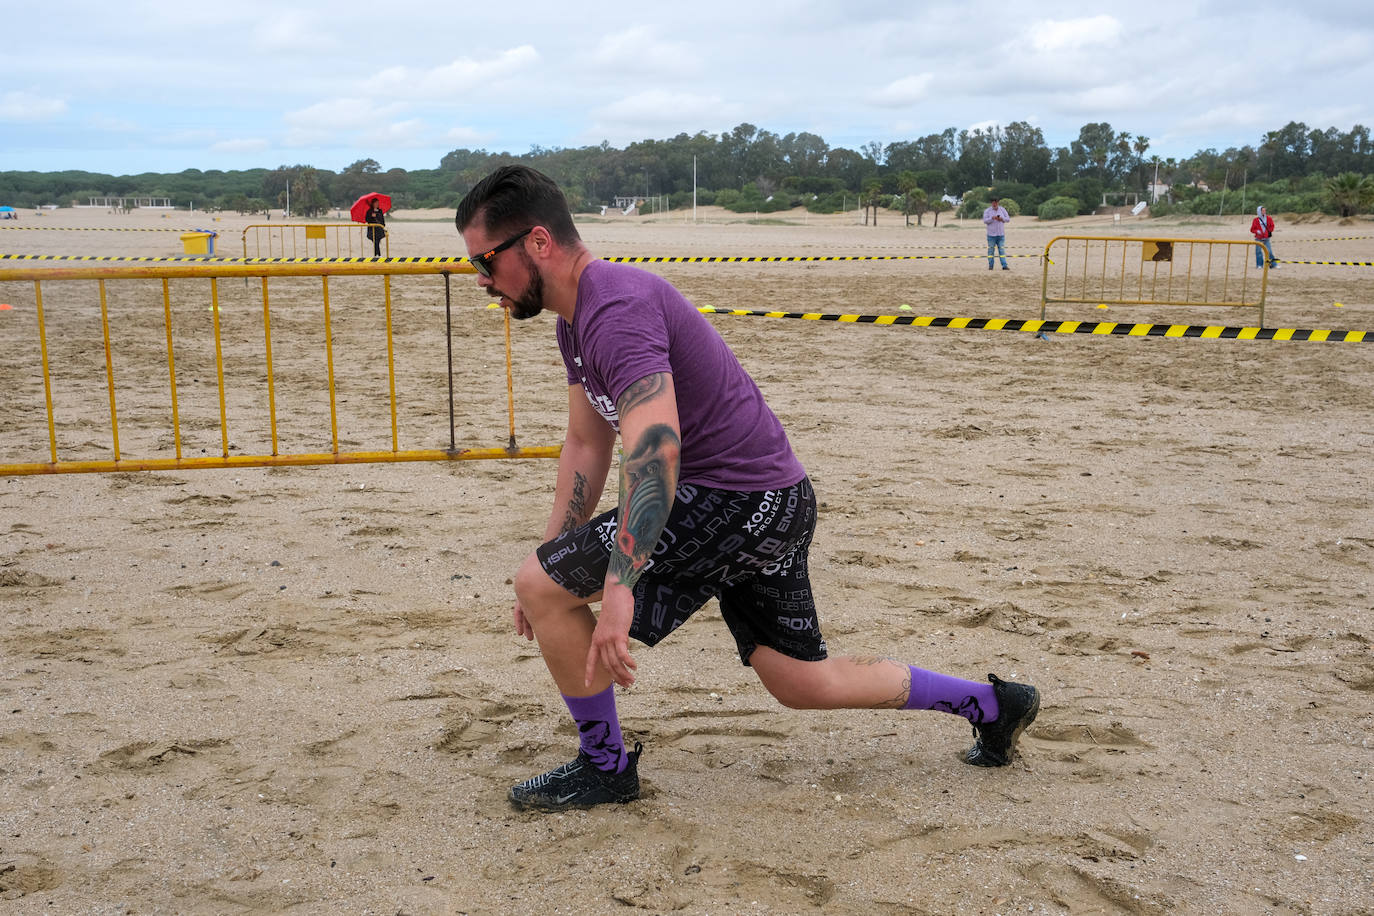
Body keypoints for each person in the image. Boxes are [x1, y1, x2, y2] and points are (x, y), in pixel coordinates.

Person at [454, 165, 1041, 812]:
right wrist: (556, 550)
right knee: (800, 682)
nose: (482, 280)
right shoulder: (576, 322)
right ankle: (994, 704)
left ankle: (605, 767)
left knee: (540, 584)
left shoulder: (614, 309)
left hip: (732, 499)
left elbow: (655, 449)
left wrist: (616, 584)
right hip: (775, 500)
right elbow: (587, 444)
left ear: (537, 243)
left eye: (486, 260)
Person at [983, 196, 1010, 270]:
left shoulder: (1002, 209)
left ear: (998, 202)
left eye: (996, 202)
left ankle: (1004, 266)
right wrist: (992, 218)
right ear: (991, 203)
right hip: (991, 235)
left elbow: (1008, 219)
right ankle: (991, 266)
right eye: (993, 202)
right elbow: (985, 221)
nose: (994, 204)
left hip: (1001, 234)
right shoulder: (987, 211)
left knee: (1001, 250)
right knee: (991, 251)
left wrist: (1001, 219)